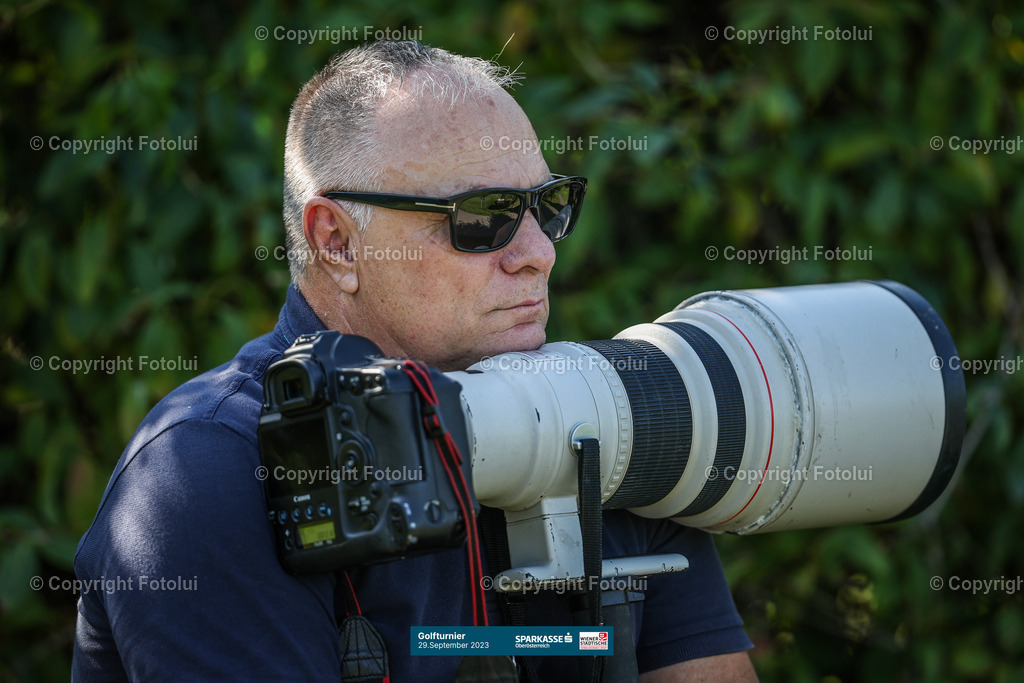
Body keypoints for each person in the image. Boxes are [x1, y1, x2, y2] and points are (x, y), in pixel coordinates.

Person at [73, 40, 757, 681]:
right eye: (483, 217)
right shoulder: (212, 471)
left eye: (548, 207)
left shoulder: (608, 421)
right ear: (337, 242)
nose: (539, 253)